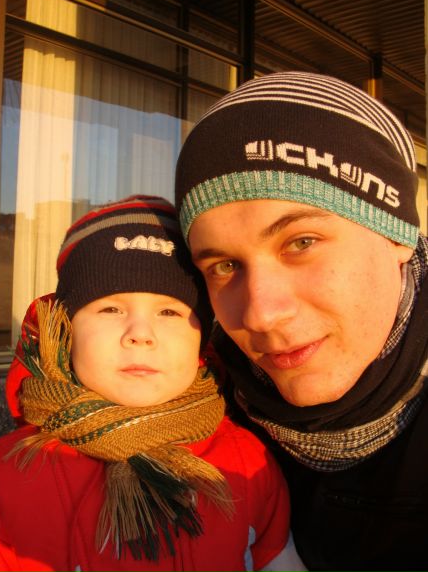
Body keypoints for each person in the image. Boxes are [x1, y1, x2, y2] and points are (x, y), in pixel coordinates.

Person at [174, 71, 428, 572]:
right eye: (224, 266)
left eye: (302, 242)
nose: (261, 314)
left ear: (397, 232)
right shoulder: (192, 412)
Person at [0, 195, 307, 572]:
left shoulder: (250, 464)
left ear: (202, 337)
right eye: (110, 309)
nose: (140, 334)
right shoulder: (2, 476)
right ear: (67, 332)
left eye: (169, 311)